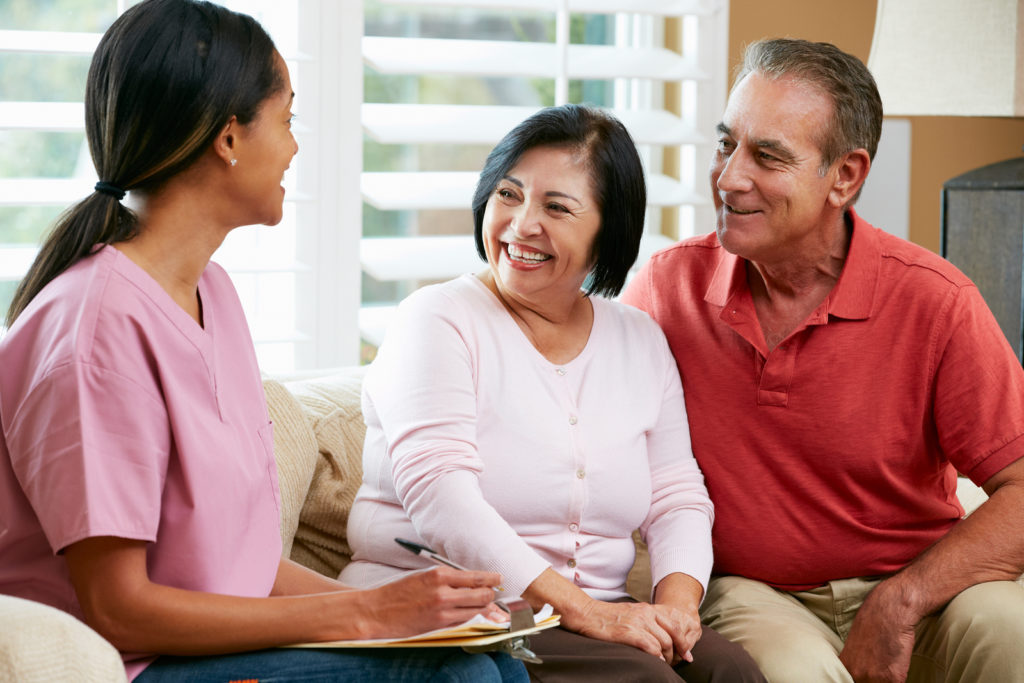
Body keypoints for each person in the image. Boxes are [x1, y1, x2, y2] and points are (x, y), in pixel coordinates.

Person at [0, 2, 528, 681]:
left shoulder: (211, 293)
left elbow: (238, 570)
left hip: (209, 650)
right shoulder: (96, 329)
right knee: (455, 678)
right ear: (228, 139)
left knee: (489, 659)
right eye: (287, 119)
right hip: (137, 665)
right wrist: (369, 617)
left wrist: (410, 611)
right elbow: (118, 610)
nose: (296, 145)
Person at [622, 37, 1024, 683]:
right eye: (726, 144)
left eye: (767, 156)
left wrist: (902, 599)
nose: (729, 177)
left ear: (845, 176)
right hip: (756, 591)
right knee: (791, 670)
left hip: (920, 582)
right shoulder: (667, 290)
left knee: (1014, 632)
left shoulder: (936, 300)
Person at [340, 103, 765, 683]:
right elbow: (441, 496)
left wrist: (677, 608)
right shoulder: (437, 319)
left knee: (732, 673)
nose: (520, 226)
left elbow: (676, 494)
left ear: (607, 232)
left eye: (556, 208)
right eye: (508, 195)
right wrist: (587, 612)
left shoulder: (639, 338)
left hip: (589, 614)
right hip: (460, 610)